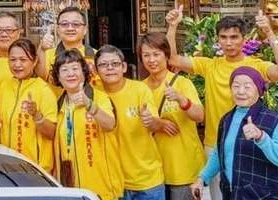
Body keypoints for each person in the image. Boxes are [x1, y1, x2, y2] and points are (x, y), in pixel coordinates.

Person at [166, 6, 278, 200]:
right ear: (217, 40)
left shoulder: (256, 66)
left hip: (251, 142)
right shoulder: (210, 65)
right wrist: (172, 26)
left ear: (244, 38)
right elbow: (173, 59)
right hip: (216, 144)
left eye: (234, 37)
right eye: (223, 37)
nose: (228, 42)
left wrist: (269, 32)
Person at [190, 67, 278, 200]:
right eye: (236, 86)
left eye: (247, 87)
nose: (241, 91)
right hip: (233, 194)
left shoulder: (272, 120)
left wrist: (261, 137)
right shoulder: (227, 119)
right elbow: (219, 153)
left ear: (259, 90)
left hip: (262, 195)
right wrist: (202, 179)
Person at [139, 33, 205, 200]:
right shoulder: (140, 88)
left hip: (183, 167)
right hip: (153, 171)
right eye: (146, 55)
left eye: (156, 54)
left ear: (167, 55)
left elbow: (199, 116)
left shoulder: (181, 83)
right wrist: (158, 124)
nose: (151, 60)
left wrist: (182, 100)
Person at [96, 44, 165, 200]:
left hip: (146, 181)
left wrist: (150, 120)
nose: (109, 68)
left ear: (124, 67)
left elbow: (156, 124)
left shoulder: (140, 89)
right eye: (103, 65)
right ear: (97, 70)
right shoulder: (94, 94)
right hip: (112, 183)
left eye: (115, 64)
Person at [52, 50, 119, 200]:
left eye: (75, 68)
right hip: (72, 188)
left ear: (84, 72)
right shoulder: (59, 104)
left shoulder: (99, 97)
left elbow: (110, 124)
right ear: (58, 77)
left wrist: (89, 105)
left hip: (102, 187)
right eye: (64, 70)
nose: (70, 74)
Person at [0, 38, 57, 172]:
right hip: (7, 167)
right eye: (12, 60)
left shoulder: (44, 90)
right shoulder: (4, 87)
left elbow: (52, 133)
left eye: (23, 60)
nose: (17, 64)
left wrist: (37, 116)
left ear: (34, 61)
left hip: (34, 169)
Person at [37, 7, 96, 87]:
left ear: (85, 29)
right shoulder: (46, 54)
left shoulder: (96, 56)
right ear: (58, 29)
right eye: (64, 24)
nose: (70, 28)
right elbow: (41, 78)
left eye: (76, 24)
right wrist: (41, 49)